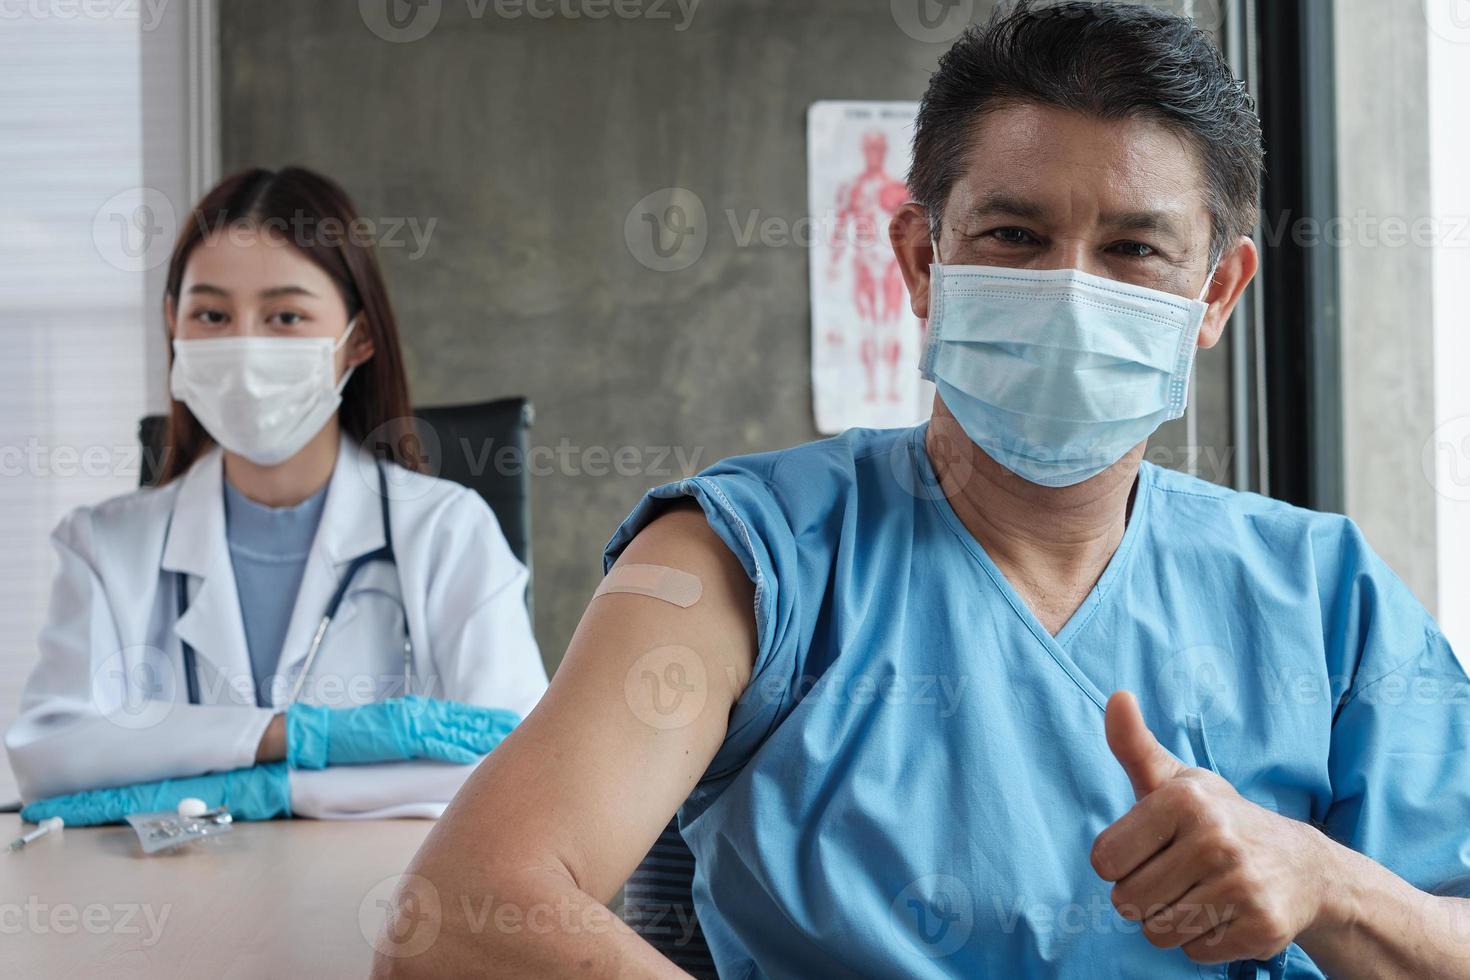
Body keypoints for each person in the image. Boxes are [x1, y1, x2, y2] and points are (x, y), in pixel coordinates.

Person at [380, 4, 1470, 979]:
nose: (1072, 295)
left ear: (1217, 291)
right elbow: (459, 916)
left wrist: (1325, 878)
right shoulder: (745, 559)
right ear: (920, 260)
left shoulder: (1325, 596)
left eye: (1135, 248)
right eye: (1014, 236)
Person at [5, 167, 547, 823]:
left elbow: (515, 768)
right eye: (212, 315)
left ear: (360, 338)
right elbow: (51, 753)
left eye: (285, 316)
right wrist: (286, 737)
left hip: (383, 908)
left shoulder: (448, 533)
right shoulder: (103, 544)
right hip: (176, 908)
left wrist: (268, 790)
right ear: (173, 323)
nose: (245, 346)